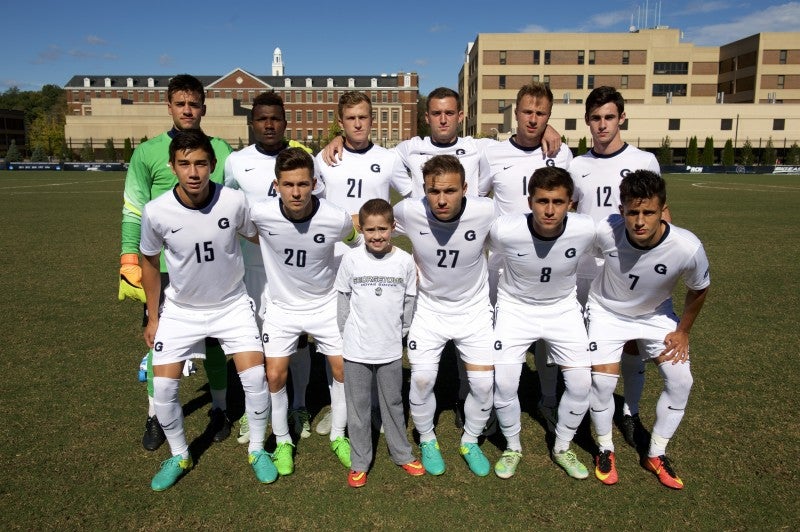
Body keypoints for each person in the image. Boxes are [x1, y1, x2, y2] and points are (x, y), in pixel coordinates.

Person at [324, 87, 563, 430]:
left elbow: (524, 135)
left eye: (449, 112)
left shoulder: (481, 148)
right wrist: (336, 142)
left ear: (460, 116)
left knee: (483, 355)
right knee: (422, 370)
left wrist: (547, 128)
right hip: (430, 271)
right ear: (427, 116)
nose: (443, 119)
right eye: (436, 113)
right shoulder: (407, 150)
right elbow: (373, 178)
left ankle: (472, 399)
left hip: (477, 257)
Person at [139, 130, 275, 491]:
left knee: (255, 380)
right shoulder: (156, 212)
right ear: (173, 167)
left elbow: (261, 236)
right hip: (181, 310)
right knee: (165, 387)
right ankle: (181, 453)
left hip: (232, 305)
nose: (193, 171)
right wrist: (153, 316)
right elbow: (149, 262)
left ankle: (259, 450)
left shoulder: (233, 202)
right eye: (184, 164)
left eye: (201, 163)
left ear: (213, 165)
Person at [118, 74, 233, 452]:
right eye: (180, 104)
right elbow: (134, 210)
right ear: (169, 106)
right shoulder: (148, 152)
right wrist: (128, 256)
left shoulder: (222, 151)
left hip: (211, 267)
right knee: (159, 343)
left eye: (194, 104)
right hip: (164, 270)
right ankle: (155, 415)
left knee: (216, 343)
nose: (187, 110)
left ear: (204, 107)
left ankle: (219, 409)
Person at [586, 169, 710, 489]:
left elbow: (699, 289)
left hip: (655, 316)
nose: (640, 220)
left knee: (681, 380)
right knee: (601, 381)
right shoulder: (605, 231)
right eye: (632, 212)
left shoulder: (687, 247)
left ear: (663, 210)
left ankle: (655, 453)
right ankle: (605, 448)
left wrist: (683, 331)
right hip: (606, 313)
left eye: (648, 212)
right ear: (621, 210)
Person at [249, 147, 360, 476]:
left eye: (302, 184)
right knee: (273, 374)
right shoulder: (261, 214)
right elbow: (248, 233)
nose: (295, 192)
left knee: (342, 369)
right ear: (277, 185)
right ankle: (283, 440)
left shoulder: (334, 216)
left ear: (313, 183)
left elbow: (354, 240)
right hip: (282, 308)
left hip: (325, 305)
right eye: (288, 185)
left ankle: (339, 435)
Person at [569, 86, 668, 448]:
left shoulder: (645, 159)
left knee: (630, 344)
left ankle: (629, 410)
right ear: (587, 122)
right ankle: (588, 411)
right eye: (595, 118)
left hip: (631, 268)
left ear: (622, 117)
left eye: (609, 117)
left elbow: (662, 214)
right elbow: (570, 212)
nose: (602, 125)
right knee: (588, 345)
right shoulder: (576, 165)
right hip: (586, 269)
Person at [488, 166, 595, 480]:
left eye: (558, 202)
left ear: (570, 203)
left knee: (581, 384)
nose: (550, 210)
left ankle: (562, 446)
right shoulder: (505, 229)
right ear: (530, 201)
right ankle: (513, 446)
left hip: (563, 310)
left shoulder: (585, 228)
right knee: (505, 383)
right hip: (515, 309)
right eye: (542, 201)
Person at [479, 82, 573, 433]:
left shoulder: (560, 154)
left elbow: (571, 204)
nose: (533, 120)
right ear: (514, 114)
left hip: (549, 263)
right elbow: (477, 199)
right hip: (502, 267)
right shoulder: (492, 154)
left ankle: (548, 400)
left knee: (546, 341)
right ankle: (490, 405)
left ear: (549, 117)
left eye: (541, 114)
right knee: (495, 340)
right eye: (527, 112)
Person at [316, 91, 413, 432]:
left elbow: (412, 200)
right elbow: (312, 206)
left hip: (379, 258)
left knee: (378, 330)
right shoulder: (325, 158)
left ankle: (375, 406)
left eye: (364, 117)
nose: (358, 123)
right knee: (342, 335)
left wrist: (392, 231)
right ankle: (339, 406)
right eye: (351, 118)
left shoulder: (388, 159)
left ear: (372, 120)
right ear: (340, 123)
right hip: (340, 261)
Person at [393, 155, 495, 477]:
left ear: (465, 188)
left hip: (474, 310)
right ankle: (427, 438)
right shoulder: (409, 211)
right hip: (429, 310)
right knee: (422, 380)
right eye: (433, 191)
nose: (440, 199)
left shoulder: (486, 211)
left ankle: (470, 440)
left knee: (482, 385)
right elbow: (369, 222)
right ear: (423, 189)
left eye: (450, 191)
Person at [224, 91, 316, 443]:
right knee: (255, 344)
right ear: (252, 122)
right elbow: (226, 205)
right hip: (252, 271)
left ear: (285, 122)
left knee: (299, 341)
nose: (268, 124)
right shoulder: (236, 162)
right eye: (261, 118)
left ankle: (300, 405)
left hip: (295, 269)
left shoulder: (302, 158)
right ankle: (255, 411)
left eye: (275, 118)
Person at [335, 198, 425, 488]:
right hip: (356, 349)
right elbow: (343, 301)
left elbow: (409, 302)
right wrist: (347, 333)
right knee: (358, 407)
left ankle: (401, 453)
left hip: (389, 349)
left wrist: (399, 333)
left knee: (394, 402)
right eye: (370, 230)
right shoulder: (351, 260)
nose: (376, 236)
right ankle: (360, 461)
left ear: (392, 227)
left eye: (382, 229)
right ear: (361, 229)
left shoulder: (403, 261)